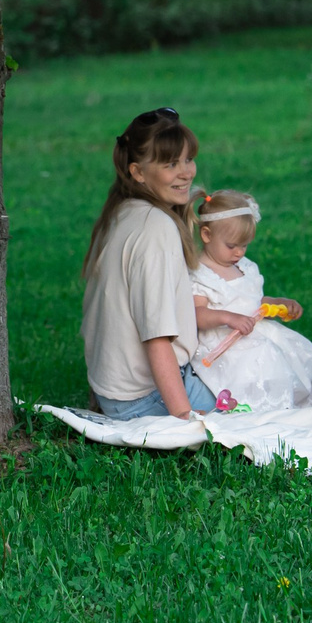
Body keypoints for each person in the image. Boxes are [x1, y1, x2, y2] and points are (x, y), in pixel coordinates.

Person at [81, 108, 218, 421]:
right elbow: (156, 337)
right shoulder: (156, 227)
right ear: (138, 172)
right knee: (259, 397)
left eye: (188, 159)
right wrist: (184, 420)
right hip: (144, 399)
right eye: (171, 164)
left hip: (113, 392)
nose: (187, 172)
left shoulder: (120, 211)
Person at [185, 190, 312, 411]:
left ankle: (286, 408)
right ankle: (256, 410)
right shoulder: (201, 274)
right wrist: (228, 318)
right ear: (207, 235)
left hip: (255, 331)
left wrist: (278, 302)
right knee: (262, 359)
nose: (239, 252)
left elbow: (253, 300)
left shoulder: (244, 267)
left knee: (298, 351)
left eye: (244, 245)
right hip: (224, 341)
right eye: (232, 246)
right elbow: (197, 314)